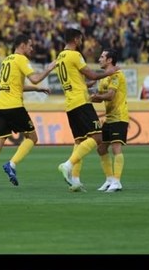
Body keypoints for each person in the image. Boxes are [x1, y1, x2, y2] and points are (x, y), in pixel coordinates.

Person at [0, 34, 56, 192]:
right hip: (14, 106)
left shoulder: (7, 60)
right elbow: (35, 78)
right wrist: (49, 69)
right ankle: (11, 164)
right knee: (32, 137)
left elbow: (16, 86)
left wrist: (37, 90)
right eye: (30, 45)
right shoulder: (21, 59)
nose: (32, 48)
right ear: (22, 45)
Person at [56, 28, 118, 192]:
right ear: (76, 39)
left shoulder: (60, 57)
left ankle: (75, 180)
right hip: (81, 102)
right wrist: (109, 72)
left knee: (80, 141)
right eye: (80, 39)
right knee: (97, 137)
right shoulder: (75, 55)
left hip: (70, 104)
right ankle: (68, 165)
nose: (81, 42)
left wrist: (87, 85)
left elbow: (78, 80)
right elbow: (91, 75)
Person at [90, 49, 129, 193]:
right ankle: (109, 179)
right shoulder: (104, 78)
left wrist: (96, 97)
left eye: (102, 57)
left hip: (119, 116)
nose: (99, 59)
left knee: (116, 148)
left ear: (109, 60)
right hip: (109, 117)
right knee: (101, 149)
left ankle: (117, 181)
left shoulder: (117, 75)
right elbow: (101, 96)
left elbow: (110, 95)